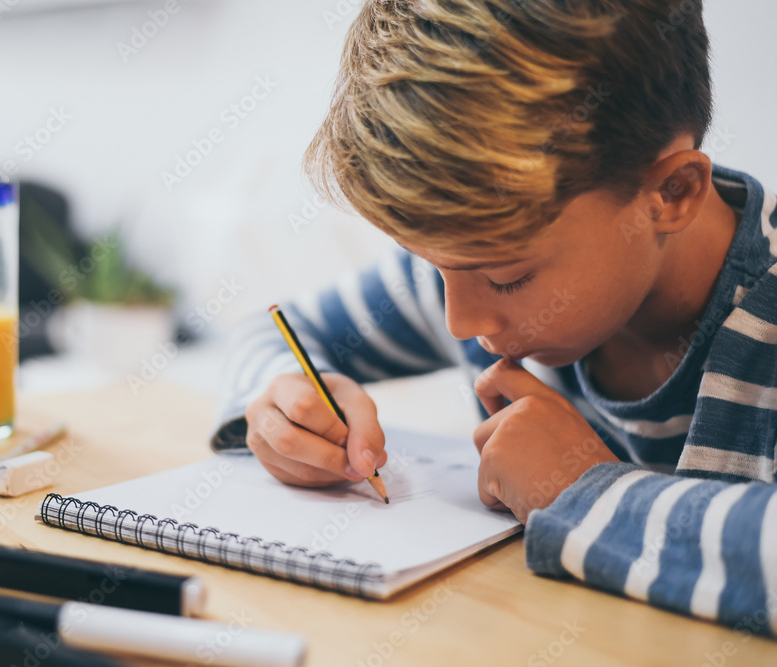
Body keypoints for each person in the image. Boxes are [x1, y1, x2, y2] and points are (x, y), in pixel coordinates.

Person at [211, 0, 776, 636]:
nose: (458, 321)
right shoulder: (470, 261)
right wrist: (285, 406)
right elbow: (270, 332)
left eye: (508, 276)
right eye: (431, 264)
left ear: (670, 194)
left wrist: (581, 492)